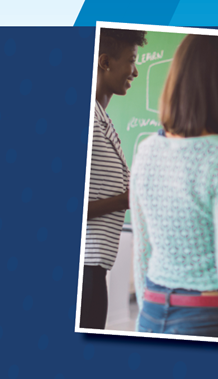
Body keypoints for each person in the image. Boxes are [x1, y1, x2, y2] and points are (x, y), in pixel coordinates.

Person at [129, 34, 218, 340]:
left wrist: (146, 317)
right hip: (204, 317)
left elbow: (142, 249)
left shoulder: (147, 149)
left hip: (151, 310)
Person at [80, 28, 146, 330]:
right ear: (105, 62)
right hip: (84, 266)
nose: (135, 71)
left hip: (96, 267)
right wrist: (125, 200)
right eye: (131, 60)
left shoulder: (102, 120)